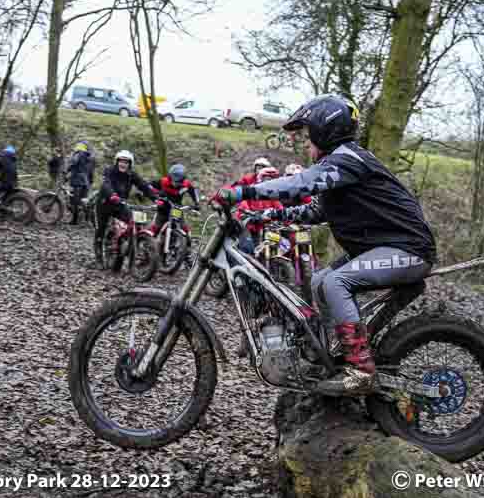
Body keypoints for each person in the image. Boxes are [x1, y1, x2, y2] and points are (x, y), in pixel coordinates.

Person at [214, 94, 437, 397]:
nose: (306, 143)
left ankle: (361, 371)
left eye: (308, 135)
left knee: (336, 282)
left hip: (409, 249)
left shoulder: (347, 158)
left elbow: (299, 184)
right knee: (319, 280)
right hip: (387, 248)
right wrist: (268, 214)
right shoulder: (341, 165)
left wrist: (243, 192)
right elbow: (315, 210)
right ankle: (336, 353)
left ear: (325, 129)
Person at [94, 150, 157, 266]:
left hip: (121, 204)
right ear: (117, 162)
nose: (123, 164)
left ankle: (127, 246)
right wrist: (112, 194)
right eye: (121, 161)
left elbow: (143, 185)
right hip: (105, 203)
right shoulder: (109, 171)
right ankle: (99, 256)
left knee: (133, 222)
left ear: (130, 164)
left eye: (126, 162)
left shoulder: (131, 174)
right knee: (101, 229)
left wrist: (156, 199)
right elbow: (105, 184)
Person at [235, 166, 284, 255]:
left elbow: (280, 208)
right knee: (247, 249)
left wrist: (285, 216)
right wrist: (250, 214)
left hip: (264, 228)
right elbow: (243, 205)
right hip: (247, 226)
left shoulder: (272, 195)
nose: (269, 181)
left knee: (277, 245)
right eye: (266, 178)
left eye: (272, 179)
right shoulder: (251, 190)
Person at [149, 164, 201, 235]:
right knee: (156, 228)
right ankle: (148, 241)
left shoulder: (186, 184)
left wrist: (197, 203)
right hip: (163, 209)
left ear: (182, 180)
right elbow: (149, 186)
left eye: (178, 182)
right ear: (170, 177)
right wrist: (157, 194)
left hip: (176, 209)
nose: (175, 184)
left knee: (184, 228)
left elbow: (194, 192)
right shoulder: (163, 181)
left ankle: (187, 243)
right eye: (173, 181)